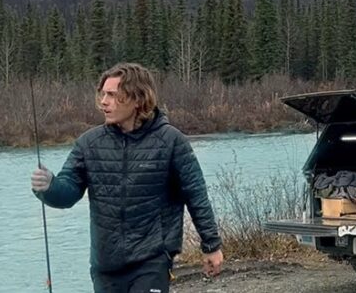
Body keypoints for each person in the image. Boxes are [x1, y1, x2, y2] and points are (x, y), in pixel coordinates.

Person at [31, 62, 223, 293]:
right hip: (105, 266)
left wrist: (211, 245)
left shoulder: (172, 141)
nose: (104, 101)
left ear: (138, 99)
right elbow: (68, 192)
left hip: (152, 260)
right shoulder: (88, 143)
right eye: (103, 94)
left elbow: (196, 195)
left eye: (112, 95)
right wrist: (49, 187)